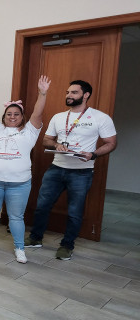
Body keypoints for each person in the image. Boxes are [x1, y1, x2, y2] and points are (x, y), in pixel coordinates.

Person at [25, 79, 118, 260]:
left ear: (86, 95)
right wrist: (57, 144)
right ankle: (35, 238)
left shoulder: (100, 117)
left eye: (74, 92)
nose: (69, 95)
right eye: (68, 92)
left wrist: (93, 154)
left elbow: (111, 143)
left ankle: (67, 246)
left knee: (75, 212)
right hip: (56, 169)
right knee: (42, 206)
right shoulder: (58, 117)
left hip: (82, 172)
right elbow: (46, 140)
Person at [0, 76, 51, 264]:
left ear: (22, 117)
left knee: (16, 217)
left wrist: (42, 93)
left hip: (20, 184)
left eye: (16, 114)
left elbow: (37, 114)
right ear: (4, 116)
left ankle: (19, 248)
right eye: (9, 114)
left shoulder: (30, 131)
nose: (12, 117)